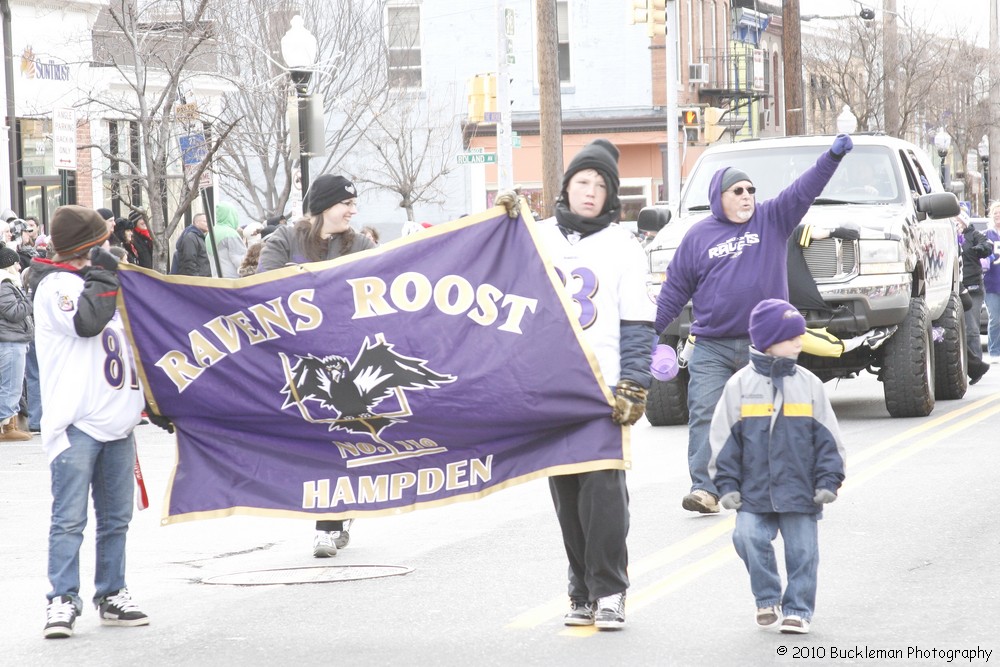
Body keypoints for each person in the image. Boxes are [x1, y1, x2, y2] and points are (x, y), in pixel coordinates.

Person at [654, 133, 853, 515]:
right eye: (737, 190)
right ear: (719, 197)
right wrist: (649, 333)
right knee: (705, 413)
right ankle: (705, 489)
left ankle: (771, 483)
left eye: (750, 189)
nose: (747, 195)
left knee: (769, 417)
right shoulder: (697, 237)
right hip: (710, 344)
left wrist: (831, 158)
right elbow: (675, 291)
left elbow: (805, 188)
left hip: (763, 346)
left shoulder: (773, 218)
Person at [532, 139, 655, 630]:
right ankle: (580, 588)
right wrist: (501, 224)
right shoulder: (535, 237)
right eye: (583, 181)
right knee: (566, 494)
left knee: (603, 490)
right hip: (551, 385)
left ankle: (610, 590)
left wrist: (634, 380)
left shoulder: (624, 246)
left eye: (601, 185)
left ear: (612, 197)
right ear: (565, 187)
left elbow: (638, 323)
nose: (591, 191)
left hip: (602, 387)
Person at [26, 206, 150, 639]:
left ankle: (112, 591)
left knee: (116, 518)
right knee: (69, 520)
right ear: (88, 246)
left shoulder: (103, 282)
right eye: (101, 240)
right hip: (78, 423)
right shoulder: (55, 286)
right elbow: (86, 322)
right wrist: (103, 273)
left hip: (118, 422)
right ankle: (62, 598)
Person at [708, 298, 846, 635]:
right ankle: (767, 598)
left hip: (800, 490)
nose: (800, 342)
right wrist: (725, 486)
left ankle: (798, 609)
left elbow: (829, 438)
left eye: (800, 335)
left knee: (803, 553)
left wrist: (829, 480)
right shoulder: (738, 386)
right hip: (754, 491)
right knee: (746, 536)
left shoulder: (810, 384)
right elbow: (722, 439)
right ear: (768, 342)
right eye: (792, 337)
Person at [257, 174, 375, 557]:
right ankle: (336, 512)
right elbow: (266, 287)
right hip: (297, 357)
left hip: (345, 359)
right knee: (314, 443)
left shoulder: (360, 244)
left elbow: (378, 287)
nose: (353, 211)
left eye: (354, 205)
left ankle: (328, 522)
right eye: (347, 204)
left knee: (340, 439)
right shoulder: (285, 240)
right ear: (325, 206)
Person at [0, 243, 33, 442]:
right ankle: (7, 426)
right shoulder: (5, 285)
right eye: (16, 263)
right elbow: (13, 312)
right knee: (11, 385)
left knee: (11, 384)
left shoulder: (9, 284)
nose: (20, 267)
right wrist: (29, 299)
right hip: (10, 340)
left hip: (13, 339)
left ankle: (9, 424)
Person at [956, 212, 992, 384]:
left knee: (971, 329)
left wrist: (980, 249)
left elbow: (987, 246)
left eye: (959, 220)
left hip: (972, 288)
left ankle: (976, 368)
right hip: (954, 288)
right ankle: (959, 368)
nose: (957, 223)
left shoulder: (973, 235)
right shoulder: (948, 235)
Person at [206, 203, 246, 279]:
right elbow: (240, 261)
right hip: (232, 280)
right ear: (231, 215)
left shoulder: (210, 233)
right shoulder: (230, 233)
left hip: (216, 278)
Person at [982, 202, 1000, 363]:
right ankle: (994, 351)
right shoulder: (986, 235)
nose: (997, 216)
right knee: (995, 318)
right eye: (995, 213)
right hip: (992, 284)